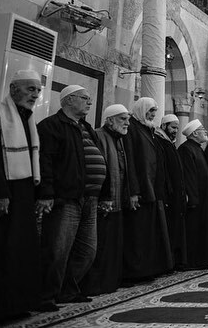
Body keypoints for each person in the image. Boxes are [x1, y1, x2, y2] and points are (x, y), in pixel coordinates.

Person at [37, 85, 109, 310]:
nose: (89, 102)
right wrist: (46, 193)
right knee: (58, 250)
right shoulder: (52, 126)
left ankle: (68, 290)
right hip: (66, 197)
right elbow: (45, 161)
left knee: (87, 251)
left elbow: (100, 160)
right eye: (85, 99)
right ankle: (45, 295)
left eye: (90, 99)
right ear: (68, 100)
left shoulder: (86, 127)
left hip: (90, 198)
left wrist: (104, 194)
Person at [0, 70, 43, 320]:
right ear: (14, 89)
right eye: (30, 89)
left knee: (23, 248)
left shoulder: (28, 118)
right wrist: (1, 193)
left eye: (37, 90)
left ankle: (21, 303)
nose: (35, 95)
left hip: (24, 192)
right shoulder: (0, 116)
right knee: (6, 248)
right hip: (6, 192)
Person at [81, 104, 131, 296]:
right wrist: (105, 196)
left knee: (113, 245)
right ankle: (96, 284)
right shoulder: (99, 135)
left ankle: (110, 282)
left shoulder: (119, 138)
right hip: (104, 201)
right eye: (122, 119)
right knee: (100, 246)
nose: (127, 123)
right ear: (110, 120)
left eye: (127, 119)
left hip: (117, 201)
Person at [122, 97, 173, 281]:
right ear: (141, 109)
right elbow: (131, 162)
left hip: (152, 189)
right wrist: (133, 191)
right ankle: (137, 272)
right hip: (141, 189)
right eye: (150, 110)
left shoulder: (148, 129)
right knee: (138, 233)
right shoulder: (133, 129)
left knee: (149, 233)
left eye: (154, 111)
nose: (152, 114)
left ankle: (149, 269)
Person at [178, 119, 208, 269]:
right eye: (202, 129)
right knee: (193, 230)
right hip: (195, 198)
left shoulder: (197, 148)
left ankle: (202, 259)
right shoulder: (186, 149)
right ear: (194, 133)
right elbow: (189, 176)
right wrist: (192, 198)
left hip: (203, 197)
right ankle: (192, 261)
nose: (205, 132)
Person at [155, 114, 187, 269]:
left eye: (177, 128)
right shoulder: (160, 142)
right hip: (168, 193)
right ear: (163, 126)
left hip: (175, 193)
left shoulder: (169, 143)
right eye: (173, 127)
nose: (176, 131)